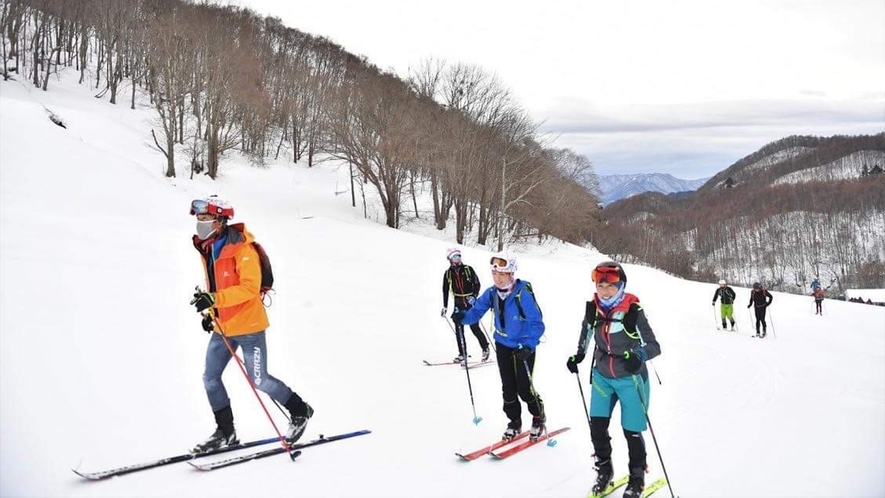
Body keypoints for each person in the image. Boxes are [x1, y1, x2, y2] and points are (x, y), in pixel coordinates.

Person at [188, 196, 313, 454]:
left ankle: (300, 411)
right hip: (224, 326)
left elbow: (249, 288)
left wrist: (214, 298)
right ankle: (226, 433)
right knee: (210, 378)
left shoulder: (243, 249)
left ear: (221, 221)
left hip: (249, 326)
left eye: (205, 219)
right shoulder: (209, 247)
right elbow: (217, 286)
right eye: (198, 219)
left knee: (259, 379)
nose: (200, 224)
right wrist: (209, 312)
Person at [565, 261, 661, 498]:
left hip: (631, 379)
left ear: (621, 285)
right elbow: (585, 334)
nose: (605, 290)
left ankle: (637, 477)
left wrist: (638, 356)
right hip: (602, 377)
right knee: (597, 427)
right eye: (601, 285)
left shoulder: (633, 311)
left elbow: (654, 346)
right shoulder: (593, 309)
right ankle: (604, 472)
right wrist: (578, 355)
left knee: (632, 431)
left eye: (610, 285)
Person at [451, 253, 547, 441]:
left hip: (523, 347)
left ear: (511, 273)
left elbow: (538, 323)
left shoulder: (522, 294)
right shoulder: (492, 293)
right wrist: (463, 317)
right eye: (495, 274)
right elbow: (476, 311)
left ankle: (538, 417)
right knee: (508, 387)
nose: (497, 278)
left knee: (524, 388)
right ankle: (514, 422)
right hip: (502, 344)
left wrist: (528, 345)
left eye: (502, 274)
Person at [441, 248, 490, 363]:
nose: (458, 259)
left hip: (469, 302)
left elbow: (477, 283)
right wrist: (445, 306)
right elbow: (445, 290)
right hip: (458, 302)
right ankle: (462, 353)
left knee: (474, 327)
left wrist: (474, 296)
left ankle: (485, 349)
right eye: (455, 257)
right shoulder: (448, 273)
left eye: (459, 256)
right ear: (450, 259)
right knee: (459, 328)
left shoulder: (468, 269)